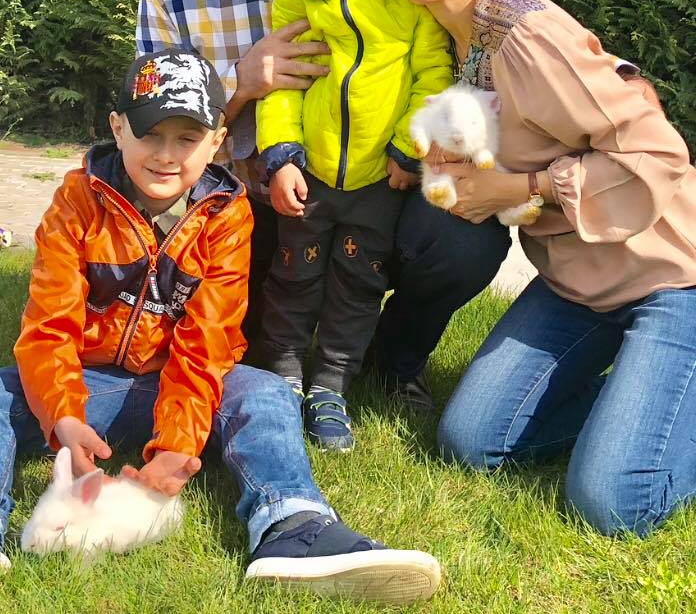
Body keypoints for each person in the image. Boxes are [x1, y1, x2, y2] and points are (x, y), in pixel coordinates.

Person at [0, 48, 441, 602]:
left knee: (264, 391)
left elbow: (207, 344)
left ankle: (293, 526)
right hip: (90, 384)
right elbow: (49, 329)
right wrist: (64, 418)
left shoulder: (227, 215)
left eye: (187, 138)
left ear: (217, 142)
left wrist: (176, 446)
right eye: (149, 134)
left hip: (187, 391)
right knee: (3, 390)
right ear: (117, 128)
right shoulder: (76, 201)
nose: (166, 156)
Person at [136, 0, 511, 409]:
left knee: (460, 238)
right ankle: (278, 351)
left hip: (376, 178)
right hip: (248, 199)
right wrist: (240, 87)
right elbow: (151, 131)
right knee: (241, 336)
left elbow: (462, 36)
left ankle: (394, 356)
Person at [367, 0, 696, 537]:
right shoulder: (452, 37)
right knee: (473, 442)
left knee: (613, 504)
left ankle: (649, 418)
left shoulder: (526, 32)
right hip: (579, 282)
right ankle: (640, 411)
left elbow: (657, 152)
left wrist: (524, 187)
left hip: (671, 274)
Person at [247, 0, 452, 449]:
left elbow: (433, 74)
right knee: (293, 276)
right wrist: (281, 154)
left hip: (377, 179)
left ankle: (332, 382)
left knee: (356, 285)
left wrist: (408, 148)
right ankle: (284, 372)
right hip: (309, 175)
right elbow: (281, 88)